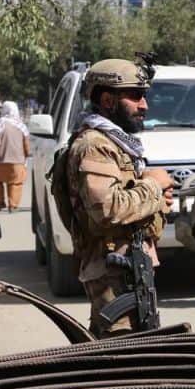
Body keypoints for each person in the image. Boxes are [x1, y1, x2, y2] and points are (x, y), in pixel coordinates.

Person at [64, 58, 174, 337]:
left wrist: (154, 196)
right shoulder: (94, 146)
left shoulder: (114, 143)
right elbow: (107, 208)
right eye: (135, 96)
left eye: (144, 96)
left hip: (127, 267)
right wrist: (153, 187)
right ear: (108, 100)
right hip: (111, 271)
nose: (144, 105)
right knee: (121, 359)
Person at [0, 101, 31, 212]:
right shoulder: (22, 126)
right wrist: (25, 158)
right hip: (18, 162)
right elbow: (26, 146)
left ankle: (0, 203)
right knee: (15, 183)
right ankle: (13, 205)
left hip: (0, 161)